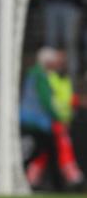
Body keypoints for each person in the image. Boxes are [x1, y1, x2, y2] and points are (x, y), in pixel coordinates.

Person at [20, 48, 84, 190]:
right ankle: (67, 180)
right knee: (44, 151)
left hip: (36, 122)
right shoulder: (43, 76)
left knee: (42, 151)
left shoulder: (37, 75)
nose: (58, 64)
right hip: (40, 123)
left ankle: (37, 180)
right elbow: (47, 101)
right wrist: (58, 118)